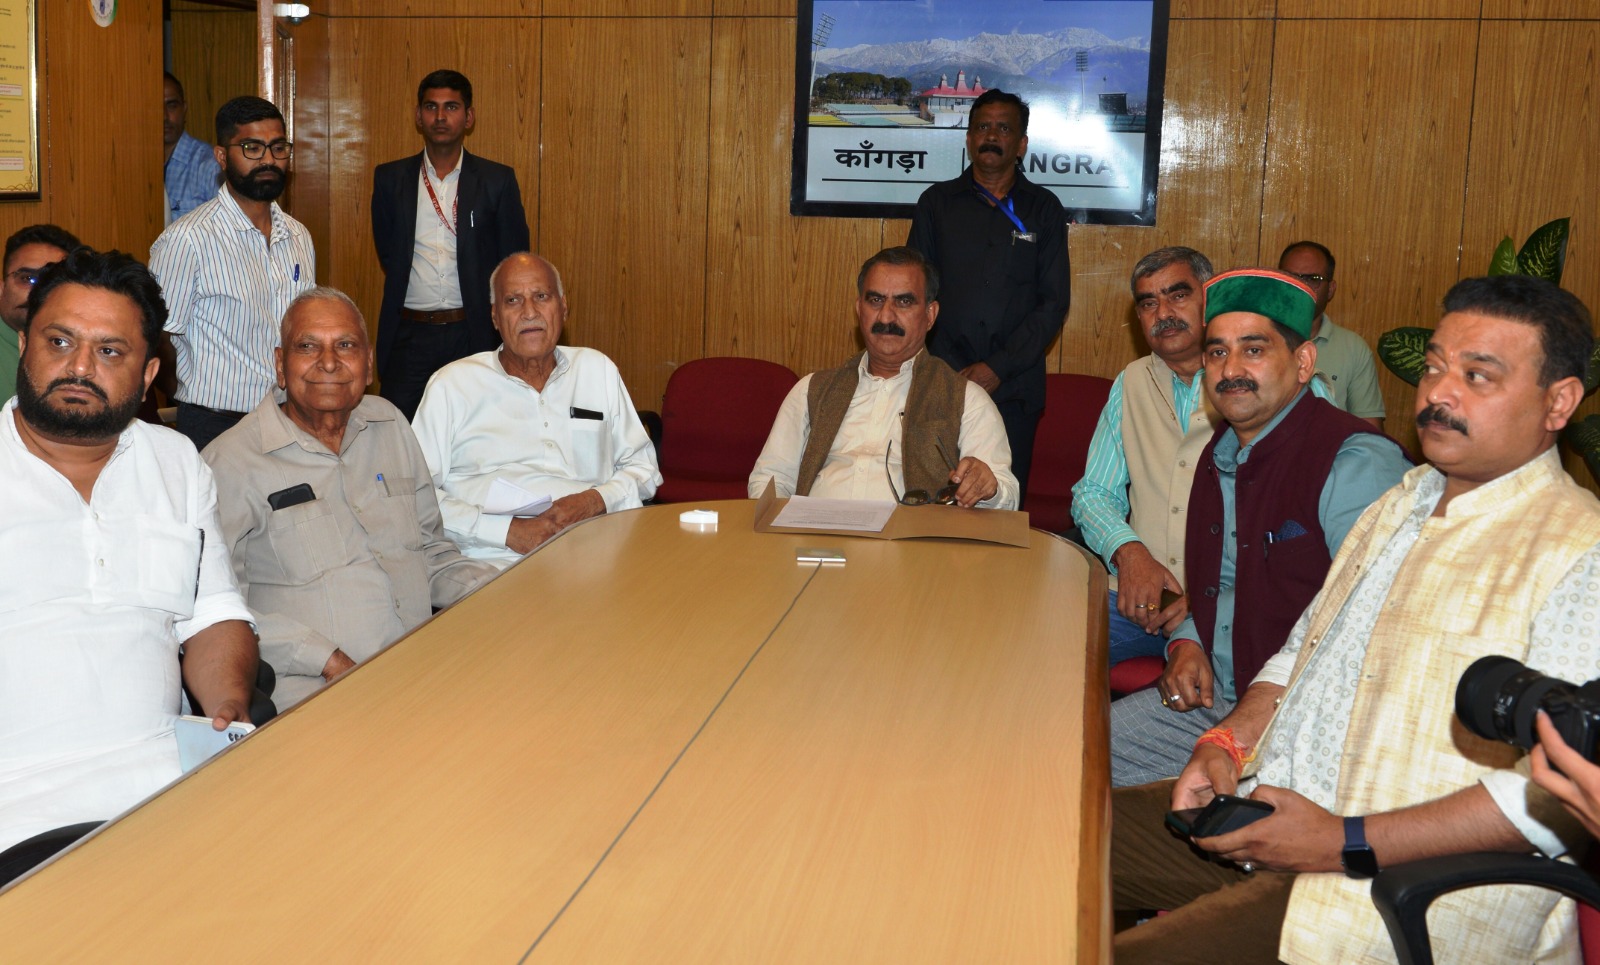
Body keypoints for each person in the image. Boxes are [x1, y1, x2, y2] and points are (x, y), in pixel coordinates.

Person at [1112, 274, 1600, 964]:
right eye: (1434, 366)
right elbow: (1304, 647)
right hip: (1278, 808)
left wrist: (1339, 839)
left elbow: (1553, 798)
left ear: (1559, 402)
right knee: (1050, 832)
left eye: (1477, 376)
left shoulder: (1578, 551)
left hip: (1395, 891)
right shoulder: (1407, 498)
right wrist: (1227, 740)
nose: (1438, 393)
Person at [0, 247, 257, 861]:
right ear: (24, 346)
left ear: (147, 375)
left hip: (168, 791)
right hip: (18, 812)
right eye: (59, 342)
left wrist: (228, 710)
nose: (79, 366)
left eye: (110, 351)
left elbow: (214, 614)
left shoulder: (174, 461)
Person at [1110, 268, 1409, 788]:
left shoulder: (1353, 462)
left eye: (1254, 350)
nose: (1231, 370)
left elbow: (1374, 630)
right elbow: (1220, 584)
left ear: (1303, 362)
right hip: (1216, 701)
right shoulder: (1219, 455)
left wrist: (1245, 726)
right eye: (1217, 352)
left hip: (1314, 723)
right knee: (1068, 759)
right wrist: (1187, 642)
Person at [204, 288, 499, 709]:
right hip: (315, 691)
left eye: (345, 345)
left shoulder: (390, 424)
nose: (329, 362)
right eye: (308, 346)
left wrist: (503, 589)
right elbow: (217, 608)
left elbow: (430, 552)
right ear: (280, 365)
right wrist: (323, 658)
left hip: (424, 668)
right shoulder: (229, 462)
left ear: (369, 363)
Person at [412, 253, 659, 568]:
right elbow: (415, 494)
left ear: (563, 307)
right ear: (495, 317)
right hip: (490, 559)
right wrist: (505, 531)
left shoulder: (597, 370)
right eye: (513, 300)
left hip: (594, 548)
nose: (529, 312)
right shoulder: (452, 385)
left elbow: (644, 469)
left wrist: (595, 500)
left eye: (541, 296)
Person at [748, 246, 1018, 510]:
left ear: (930, 315)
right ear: (859, 309)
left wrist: (987, 487)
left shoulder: (967, 399)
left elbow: (1006, 497)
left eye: (904, 301)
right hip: (815, 534)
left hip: (914, 538)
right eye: (875, 300)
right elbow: (771, 478)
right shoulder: (811, 390)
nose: (886, 316)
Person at [906, 89, 1069, 497]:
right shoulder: (936, 203)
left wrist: (996, 367)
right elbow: (915, 293)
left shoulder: (1044, 209)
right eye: (982, 127)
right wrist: (951, 374)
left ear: (1022, 144)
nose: (991, 136)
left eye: (1003, 128)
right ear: (969, 139)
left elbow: (1053, 303)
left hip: (1013, 389)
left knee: (1001, 504)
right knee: (933, 502)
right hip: (943, 384)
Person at [1071, 247, 1220, 666]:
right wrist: (1129, 553)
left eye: (1178, 295)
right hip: (1139, 600)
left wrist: (1213, 601)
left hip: (1231, 612)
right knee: (1038, 643)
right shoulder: (1132, 381)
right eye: (1148, 303)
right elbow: (1093, 493)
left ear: (1210, 299)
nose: (1163, 313)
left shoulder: (1257, 383)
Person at [151, 95, 315, 454]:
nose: (268, 160)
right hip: (216, 423)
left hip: (290, 415)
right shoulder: (187, 239)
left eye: (278, 148)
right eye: (252, 148)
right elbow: (158, 337)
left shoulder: (298, 235)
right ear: (222, 156)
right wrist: (193, 400)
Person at [371, 70, 530, 420]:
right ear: (418, 116)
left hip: (473, 332)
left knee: (478, 430)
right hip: (409, 335)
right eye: (431, 107)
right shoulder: (390, 179)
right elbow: (389, 252)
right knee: (400, 432)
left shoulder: (496, 180)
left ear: (468, 117)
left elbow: (514, 259)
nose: (440, 116)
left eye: (451, 107)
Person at [1277, 240, 1386, 430]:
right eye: (1290, 277)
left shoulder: (1353, 348)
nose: (1300, 286)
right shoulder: (1253, 339)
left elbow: (1370, 432)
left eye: (1313, 279)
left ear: (1331, 290)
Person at [0, 225, 80, 403]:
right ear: (2, 288)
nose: (39, 291)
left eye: (53, 280)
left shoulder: (84, 353)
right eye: (27, 278)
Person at [162, 72, 221, 224]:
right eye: (156, 106)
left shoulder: (209, 165)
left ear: (184, 109)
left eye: (171, 106)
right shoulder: (134, 164)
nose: (164, 116)